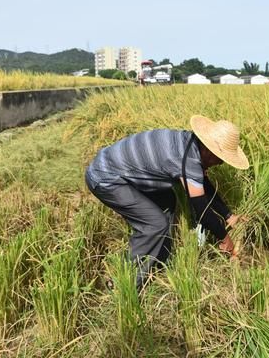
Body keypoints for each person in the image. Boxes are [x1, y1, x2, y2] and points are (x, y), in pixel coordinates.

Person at [84, 115, 249, 289]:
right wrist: (224, 238)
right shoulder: (188, 160)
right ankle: (123, 283)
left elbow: (202, 185)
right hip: (106, 178)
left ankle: (157, 261)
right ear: (209, 150)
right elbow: (201, 208)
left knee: (167, 199)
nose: (220, 163)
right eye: (220, 158)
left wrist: (228, 215)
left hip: (113, 166)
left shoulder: (188, 141)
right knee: (155, 223)